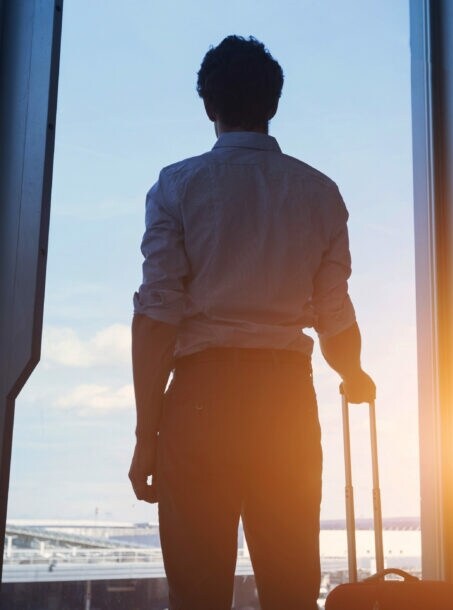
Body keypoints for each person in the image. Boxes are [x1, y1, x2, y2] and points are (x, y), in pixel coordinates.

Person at [128, 35, 375, 610]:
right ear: (274, 104)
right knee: (290, 587)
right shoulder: (320, 193)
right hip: (283, 398)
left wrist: (147, 436)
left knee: (197, 590)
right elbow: (335, 314)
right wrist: (355, 374)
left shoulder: (176, 185)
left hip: (199, 399)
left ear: (209, 106)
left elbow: (156, 316)